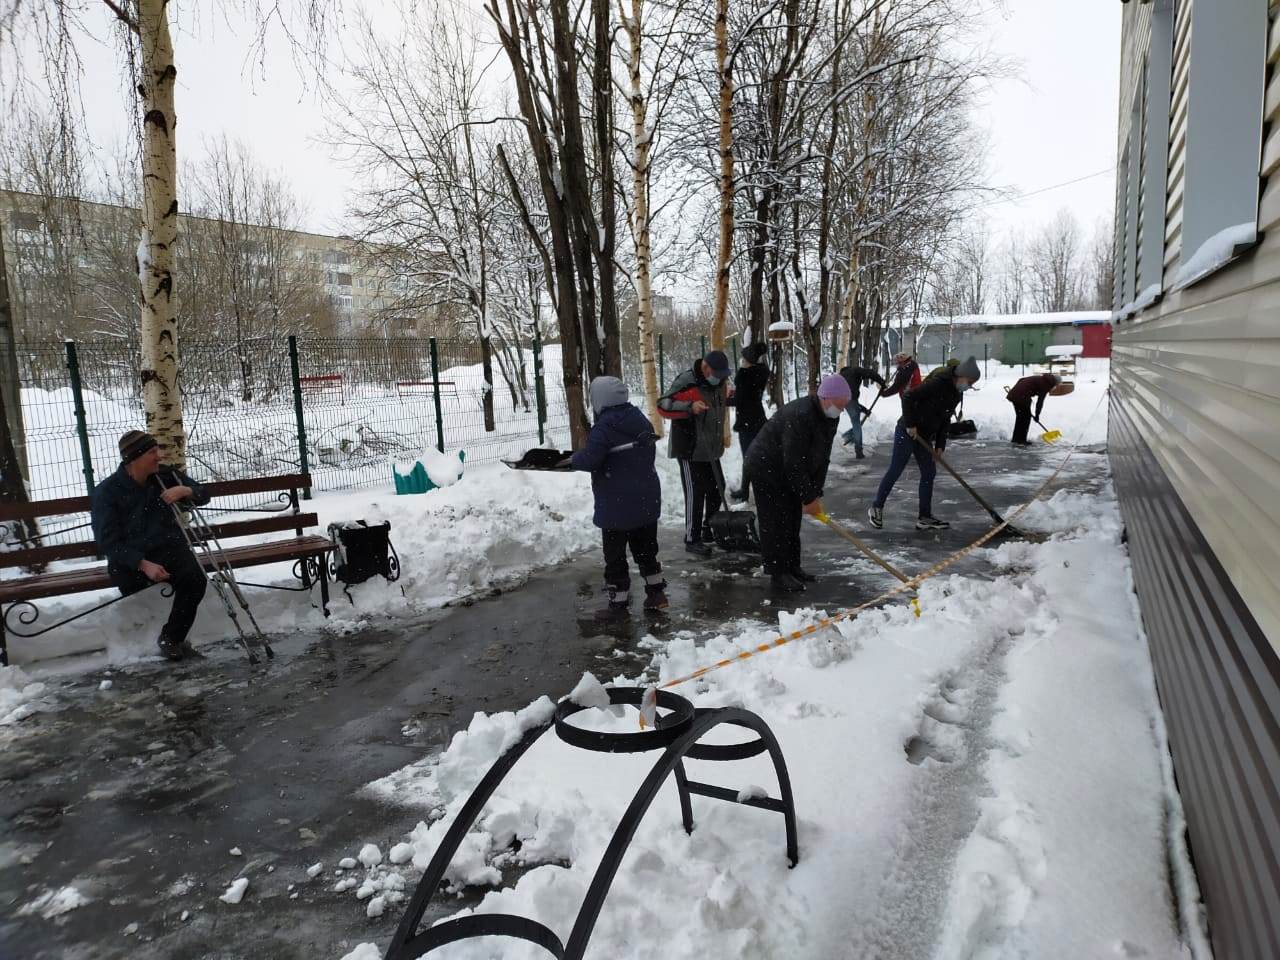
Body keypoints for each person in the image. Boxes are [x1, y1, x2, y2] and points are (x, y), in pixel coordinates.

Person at [89, 430, 209, 661]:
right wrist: (142, 564)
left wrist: (185, 491)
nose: (159, 456)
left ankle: (172, 638)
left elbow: (205, 494)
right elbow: (108, 543)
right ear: (135, 458)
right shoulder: (107, 493)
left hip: (167, 551)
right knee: (143, 576)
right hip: (130, 562)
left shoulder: (164, 477)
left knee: (195, 578)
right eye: (153, 452)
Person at [571, 377, 667, 618]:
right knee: (646, 549)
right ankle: (656, 593)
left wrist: (574, 459)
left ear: (599, 399)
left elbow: (591, 459)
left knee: (615, 556)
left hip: (616, 506)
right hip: (645, 500)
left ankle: (618, 604)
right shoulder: (639, 418)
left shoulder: (604, 427)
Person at [744, 374, 849, 593]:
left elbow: (823, 456)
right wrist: (807, 496)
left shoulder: (831, 416)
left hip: (787, 467)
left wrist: (814, 492)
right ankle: (778, 573)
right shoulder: (800, 415)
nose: (842, 410)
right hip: (766, 466)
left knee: (792, 516)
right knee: (775, 519)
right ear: (826, 399)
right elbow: (794, 461)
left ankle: (792, 566)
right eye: (840, 405)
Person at [868, 356, 981, 531]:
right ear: (961, 375)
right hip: (907, 430)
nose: (970, 386)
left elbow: (945, 419)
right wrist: (911, 424)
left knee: (929, 472)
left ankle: (925, 517)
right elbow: (908, 397)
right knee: (896, 468)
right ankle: (876, 507)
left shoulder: (956, 393)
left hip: (925, 435)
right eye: (970, 381)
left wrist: (940, 446)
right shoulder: (938, 383)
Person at [658, 349, 733, 556]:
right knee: (695, 492)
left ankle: (709, 529)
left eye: (722, 376)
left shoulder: (720, 381)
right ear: (705, 367)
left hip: (711, 447)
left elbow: (721, 400)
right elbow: (663, 405)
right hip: (690, 448)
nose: (719, 379)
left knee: (718, 487)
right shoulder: (687, 381)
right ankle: (692, 538)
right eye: (716, 375)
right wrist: (689, 406)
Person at [729, 342, 770, 501]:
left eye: (744, 358)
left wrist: (722, 400)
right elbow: (748, 397)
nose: (742, 361)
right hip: (758, 420)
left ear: (750, 360)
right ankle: (760, 489)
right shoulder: (760, 373)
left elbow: (741, 400)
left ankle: (748, 491)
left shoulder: (746, 376)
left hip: (748, 423)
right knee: (758, 457)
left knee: (749, 458)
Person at [837, 362, 886, 458]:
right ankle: (858, 451)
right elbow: (871, 373)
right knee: (856, 425)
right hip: (850, 399)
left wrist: (864, 410)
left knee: (855, 421)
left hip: (841, 400)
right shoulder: (855, 370)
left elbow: (850, 402)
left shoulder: (840, 376)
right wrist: (882, 382)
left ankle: (852, 441)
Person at [1006, 372, 1061, 446]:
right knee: (1026, 418)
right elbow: (1040, 401)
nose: (1055, 387)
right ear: (1054, 383)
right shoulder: (1046, 384)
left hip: (1015, 395)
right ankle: (1022, 440)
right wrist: (1037, 415)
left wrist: (1015, 390)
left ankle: (1016, 439)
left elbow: (1021, 380)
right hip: (1022, 396)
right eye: (1056, 385)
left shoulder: (1041, 379)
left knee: (1020, 418)